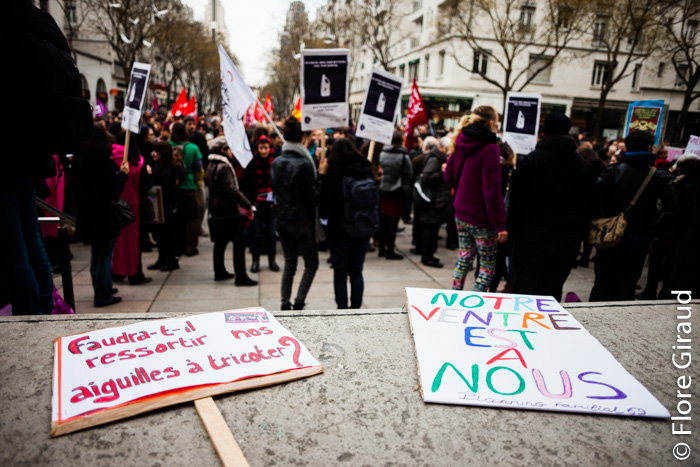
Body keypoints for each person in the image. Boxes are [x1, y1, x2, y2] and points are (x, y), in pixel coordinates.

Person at [507, 113, 591, 301]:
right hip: (567, 236)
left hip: (533, 233)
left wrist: (512, 230)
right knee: (553, 287)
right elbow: (587, 201)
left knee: (527, 285)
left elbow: (518, 200)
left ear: (545, 131)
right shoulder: (580, 163)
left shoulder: (533, 160)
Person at [589, 130, 679, 301]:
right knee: (627, 284)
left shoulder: (612, 172)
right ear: (649, 148)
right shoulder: (659, 176)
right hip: (639, 237)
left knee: (603, 282)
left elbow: (593, 202)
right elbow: (673, 209)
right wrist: (653, 230)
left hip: (609, 236)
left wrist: (600, 222)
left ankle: (594, 315)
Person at [444, 106, 507, 292]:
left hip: (461, 213)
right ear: (491, 123)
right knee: (487, 267)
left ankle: (455, 297)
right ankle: (475, 303)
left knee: (464, 259)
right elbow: (492, 191)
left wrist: (463, 188)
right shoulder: (490, 149)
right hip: (481, 218)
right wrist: (500, 225)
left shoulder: (460, 140)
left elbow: (448, 176)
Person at [271, 116, 324, 310]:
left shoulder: (277, 161)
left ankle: (285, 302)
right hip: (301, 221)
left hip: (282, 218)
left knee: (289, 262)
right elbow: (313, 197)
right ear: (302, 137)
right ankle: (299, 301)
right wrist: (322, 176)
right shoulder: (305, 164)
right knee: (311, 263)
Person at [73, 124, 129, 307]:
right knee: (104, 256)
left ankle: (102, 288)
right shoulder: (104, 162)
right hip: (104, 215)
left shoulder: (79, 161)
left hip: (88, 213)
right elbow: (113, 191)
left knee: (96, 255)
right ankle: (103, 294)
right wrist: (123, 174)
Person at [319, 138, 376, 309]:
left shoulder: (332, 173)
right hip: (362, 228)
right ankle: (356, 308)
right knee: (357, 271)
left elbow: (323, 204)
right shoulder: (365, 168)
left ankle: (342, 309)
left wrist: (322, 176)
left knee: (340, 273)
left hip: (339, 231)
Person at [205, 137, 258, 285]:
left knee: (220, 242)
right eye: (229, 149)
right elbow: (232, 190)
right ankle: (241, 276)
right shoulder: (224, 167)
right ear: (223, 150)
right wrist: (247, 204)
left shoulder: (211, 165)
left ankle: (219, 271)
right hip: (227, 210)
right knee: (238, 242)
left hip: (216, 209)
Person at [111, 132, 152, 285]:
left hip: (115, 205)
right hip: (134, 207)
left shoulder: (111, 159)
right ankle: (135, 274)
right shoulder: (137, 161)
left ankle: (117, 272)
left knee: (117, 242)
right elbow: (147, 184)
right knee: (134, 242)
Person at [241, 135, 279, 273]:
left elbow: (280, 183)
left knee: (271, 234)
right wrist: (251, 200)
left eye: (266, 148)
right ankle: (255, 260)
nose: (264, 151)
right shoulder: (252, 164)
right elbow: (245, 184)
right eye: (261, 148)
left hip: (271, 204)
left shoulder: (275, 163)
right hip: (256, 204)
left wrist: (276, 200)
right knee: (256, 233)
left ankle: (272, 260)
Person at [415, 137, 452, 268]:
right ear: (441, 148)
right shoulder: (435, 159)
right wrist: (442, 172)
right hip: (432, 200)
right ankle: (427, 257)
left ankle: (429, 255)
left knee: (433, 230)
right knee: (429, 230)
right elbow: (426, 177)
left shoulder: (438, 158)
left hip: (437, 200)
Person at [147, 142, 183, 272]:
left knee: (168, 235)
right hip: (162, 208)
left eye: (155, 151)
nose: (153, 154)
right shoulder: (161, 167)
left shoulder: (169, 170)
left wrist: (150, 175)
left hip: (167, 208)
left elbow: (166, 189)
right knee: (160, 235)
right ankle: (162, 258)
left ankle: (171, 259)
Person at [378, 132, 413, 259]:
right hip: (397, 190)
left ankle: (381, 247)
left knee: (383, 220)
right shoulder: (403, 156)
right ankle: (390, 249)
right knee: (393, 222)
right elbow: (409, 173)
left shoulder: (382, 154)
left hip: (383, 188)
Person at [170, 122, 203, 257]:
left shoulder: (168, 146)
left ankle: (177, 245)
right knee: (192, 218)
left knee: (176, 218)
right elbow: (198, 169)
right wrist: (195, 183)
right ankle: (191, 246)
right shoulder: (193, 148)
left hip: (172, 186)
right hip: (188, 186)